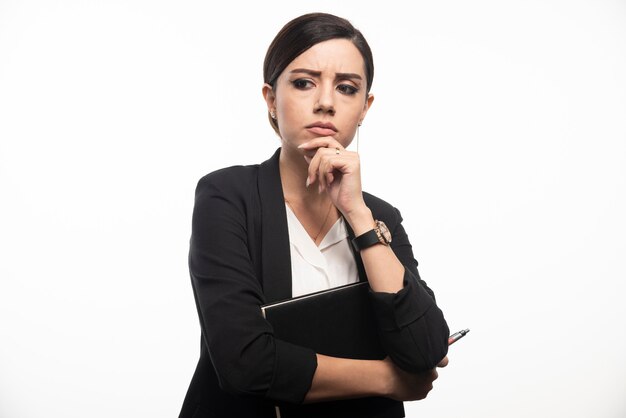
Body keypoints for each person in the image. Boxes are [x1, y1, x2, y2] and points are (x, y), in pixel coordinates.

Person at [179, 12, 450, 418]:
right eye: (304, 83)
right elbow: (244, 363)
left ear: (364, 108)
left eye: (346, 88)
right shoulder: (227, 197)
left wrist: (357, 215)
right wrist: (389, 380)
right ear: (271, 99)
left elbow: (426, 348)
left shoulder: (380, 216)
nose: (326, 102)